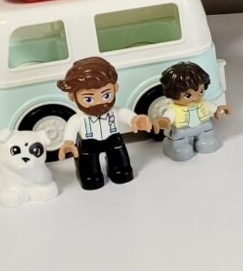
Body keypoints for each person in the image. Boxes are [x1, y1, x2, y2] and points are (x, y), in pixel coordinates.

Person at [56, 56, 157, 190]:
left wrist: (136, 120)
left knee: (120, 163)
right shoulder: (78, 118)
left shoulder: (115, 111)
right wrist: (68, 142)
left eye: (106, 95)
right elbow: (71, 128)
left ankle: (119, 169)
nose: (99, 103)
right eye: (88, 98)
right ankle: (89, 175)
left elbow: (125, 114)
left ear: (115, 88)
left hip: (112, 139)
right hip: (89, 143)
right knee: (88, 167)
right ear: (72, 97)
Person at [156, 61, 232, 161]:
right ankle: (176, 147)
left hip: (202, 127)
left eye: (201, 91)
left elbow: (214, 109)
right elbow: (167, 118)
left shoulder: (203, 103)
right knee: (182, 147)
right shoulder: (174, 109)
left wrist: (219, 110)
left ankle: (204, 139)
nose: (196, 97)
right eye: (188, 95)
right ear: (172, 93)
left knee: (208, 135)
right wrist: (164, 121)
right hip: (181, 131)